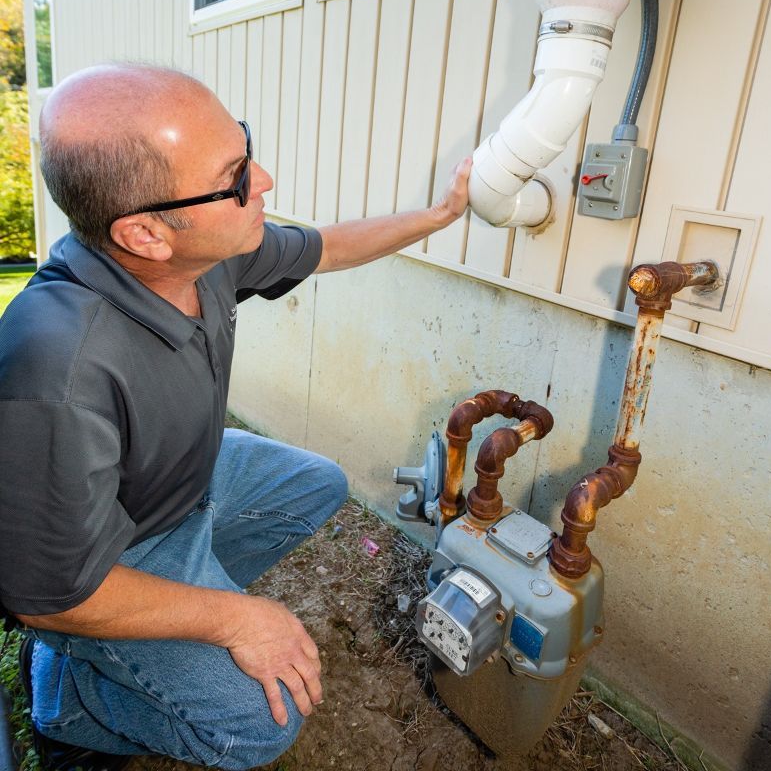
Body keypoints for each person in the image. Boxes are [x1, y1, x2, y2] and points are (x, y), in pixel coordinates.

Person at [0, 63, 471, 770]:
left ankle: (163, 624)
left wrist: (436, 216)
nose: (266, 181)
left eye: (244, 147)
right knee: (260, 726)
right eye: (236, 175)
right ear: (147, 234)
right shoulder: (57, 370)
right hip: (106, 559)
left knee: (316, 484)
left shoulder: (206, 255)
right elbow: (47, 596)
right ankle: (70, 696)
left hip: (174, 492)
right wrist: (238, 617)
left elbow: (327, 246)